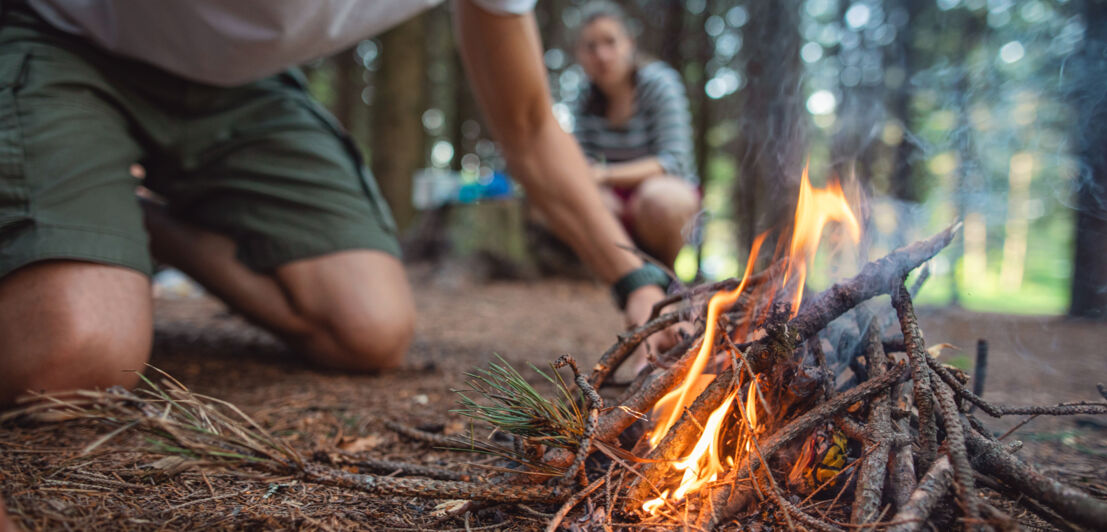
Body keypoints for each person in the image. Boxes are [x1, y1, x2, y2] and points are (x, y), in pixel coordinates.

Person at [0, 0, 680, 406]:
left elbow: (530, 128)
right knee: (76, 357)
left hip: (245, 87)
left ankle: (132, 209)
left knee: (369, 329)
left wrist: (635, 279)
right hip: (63, 35)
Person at [572, 2, 701, 269]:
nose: (602, 55)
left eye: (610, 42)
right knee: (583, 202)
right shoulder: (584, 98)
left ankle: (667, 278)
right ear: (580, 55)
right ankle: (623, 277)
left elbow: (672, 162)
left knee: (661, 200)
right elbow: (583, 164)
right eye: (591, 47)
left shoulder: (659, 84)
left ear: (629, 44)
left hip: (664, 195)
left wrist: (606, 175)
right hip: (616, 201)